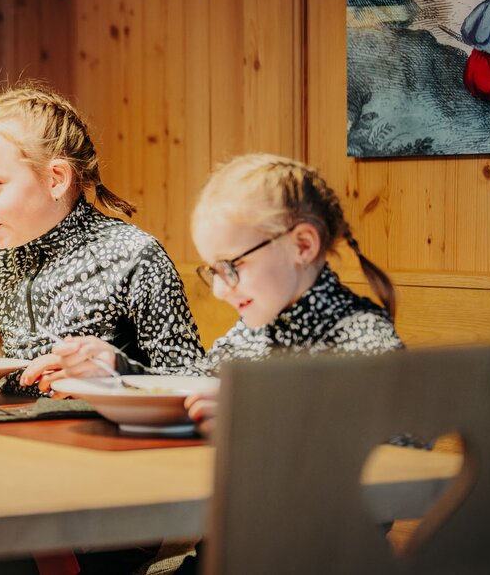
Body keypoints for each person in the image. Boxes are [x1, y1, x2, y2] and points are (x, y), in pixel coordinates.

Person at [55, 153, 402, 435]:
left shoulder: (362, 341)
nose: (220, 290)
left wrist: (258, 427)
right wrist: (117, 367)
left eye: (232, 267)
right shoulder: (253, 331)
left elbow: (401, 450)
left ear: (302, 245)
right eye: (214, 272)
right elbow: (195, 384)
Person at [0, 82, 202, 398]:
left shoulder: (134, 255)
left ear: (55, 179)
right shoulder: (0, 261)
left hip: (105, 442)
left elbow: (191, 383)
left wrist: (116, 371)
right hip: (14, 435)